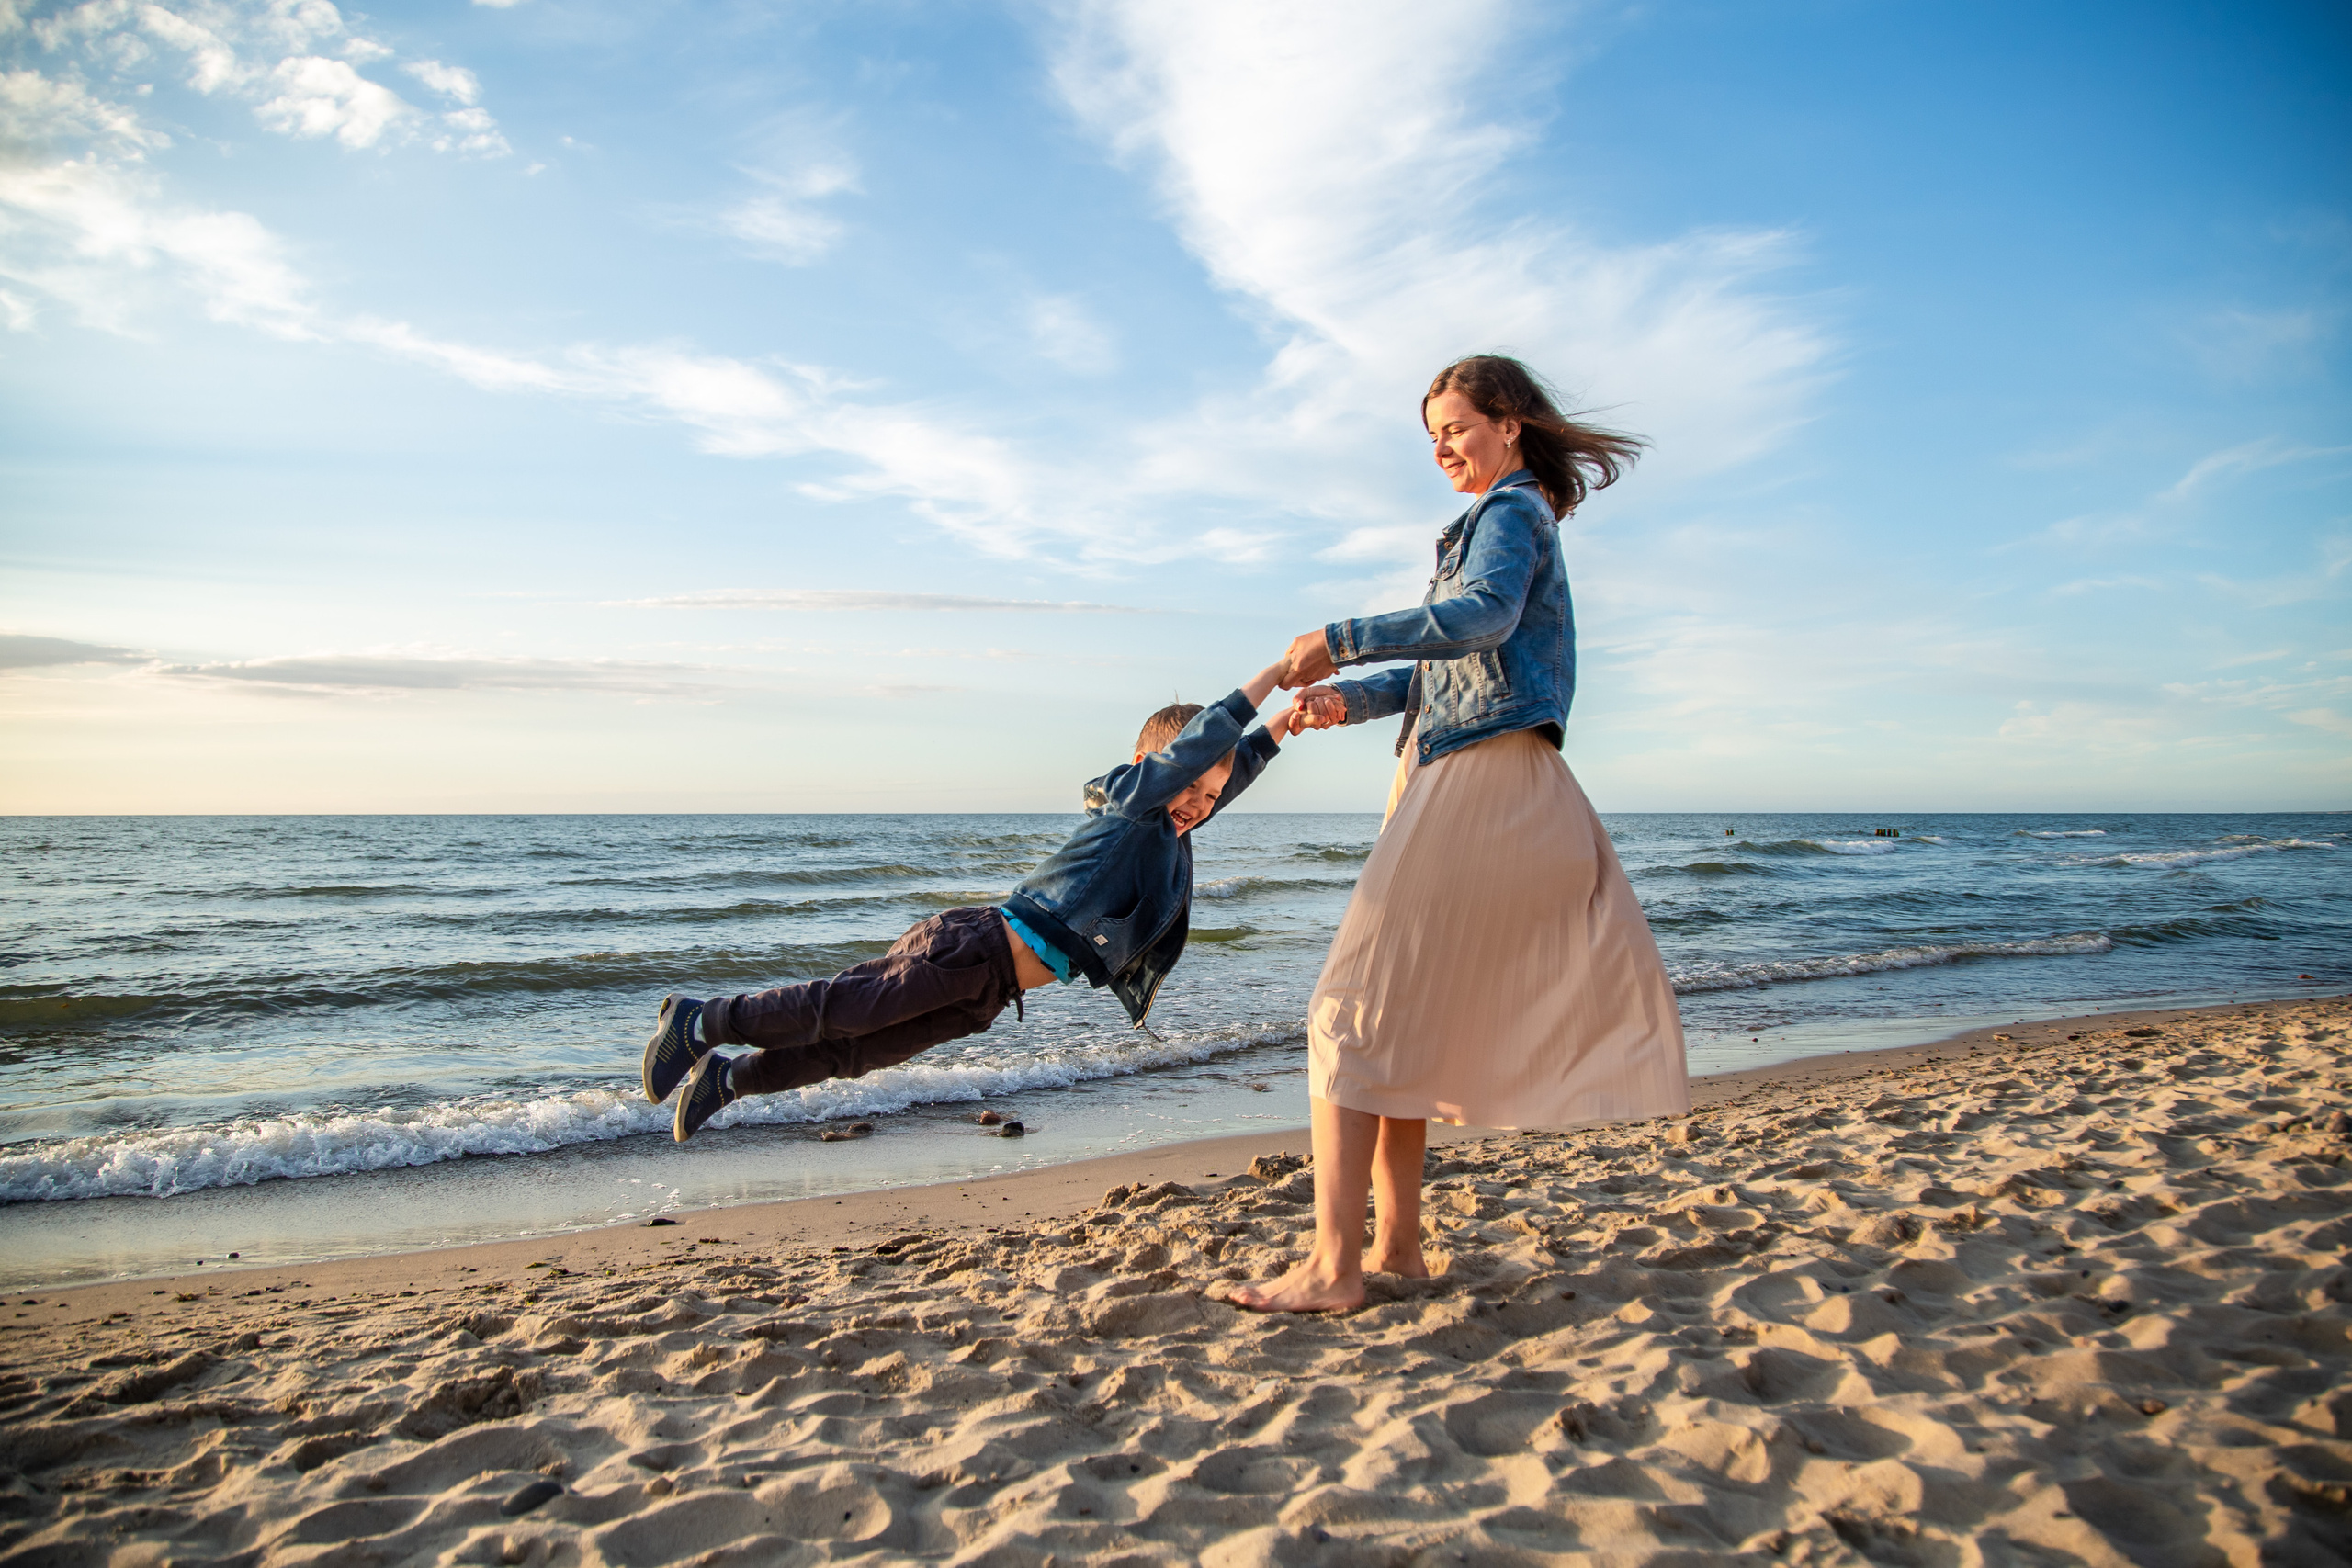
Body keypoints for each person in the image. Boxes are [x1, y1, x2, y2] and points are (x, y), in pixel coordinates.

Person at [1230, 355, 1690, 1314]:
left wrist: (1345, 633)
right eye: (1431, 435)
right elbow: (1449, 665)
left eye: (1457, 427)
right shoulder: (1496, 524)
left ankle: (1330, 1267)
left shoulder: (1510, 516)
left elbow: (1480, 619)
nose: (1442, 447)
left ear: (1509, 425)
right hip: (1470, 768)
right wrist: (1345, 698)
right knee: (1396, 1022)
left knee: (1346, 1012)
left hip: (1479, 779)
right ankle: (1394, 1250)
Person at [642, 662, 1305, 1142]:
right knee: (836, 1011)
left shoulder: (1175, 826)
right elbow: (1202, 752)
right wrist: (1275, 674)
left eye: (1212, 796)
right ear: (1146, 766)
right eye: (1190, 783)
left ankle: (727, 1082)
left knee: (855, 1053)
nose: (1199, 803)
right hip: (970, 947)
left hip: (990, 992)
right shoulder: (1134, 808)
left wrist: (1287, 723)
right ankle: (700, 1022)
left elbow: (1231, 766)